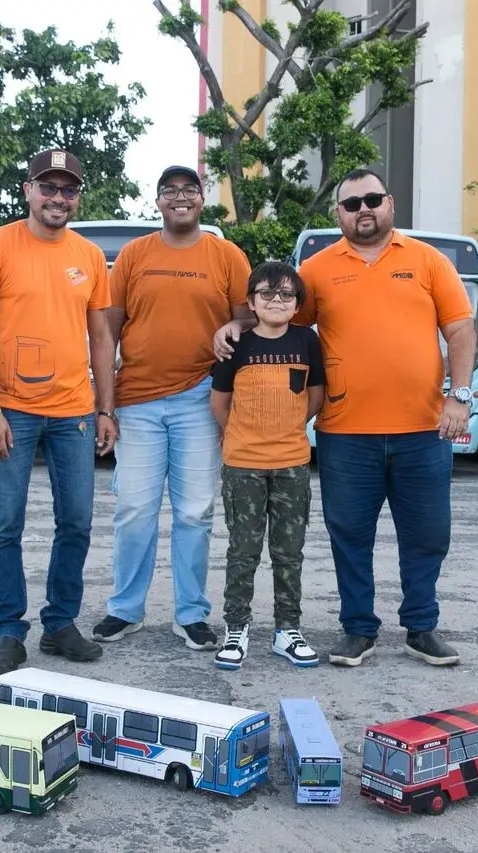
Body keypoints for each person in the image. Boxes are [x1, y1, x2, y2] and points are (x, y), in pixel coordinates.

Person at [213, 168, 477, 668]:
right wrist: (235, 322)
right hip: (345, 434)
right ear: (338, 213)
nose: (363, 210)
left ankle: (421, 627)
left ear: (390, 204)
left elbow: (461, 330)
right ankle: (358, 630)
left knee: (427, 535)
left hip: (423, 430)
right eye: (351, 203)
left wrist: (458, 396)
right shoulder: (316, 269)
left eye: (372, 199)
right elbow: (277, 313)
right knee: (349, 535)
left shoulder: (428, 261)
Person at [0, 147, 119, 676]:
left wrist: (105, 408)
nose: (58, 197)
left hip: (74, 413)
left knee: (75, 521)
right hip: (12, 411)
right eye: (47, 187)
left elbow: (101, 337)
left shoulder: (91, 257)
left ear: (78, 196)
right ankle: (8, 631)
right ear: (27, 189)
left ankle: (59, 624)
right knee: (4, 525)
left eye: (68, 189)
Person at [93, 165, 254, 652]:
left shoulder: (226, 255)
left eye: (189, 190)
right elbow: (107, 332)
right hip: (138, 401)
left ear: (202, 200)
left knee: (194, 512)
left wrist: (236, 329)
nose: (179, 198)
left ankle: (191, 614)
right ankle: (125, 609)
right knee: (135, 509)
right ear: (158, 201)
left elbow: (249, 319)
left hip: (201, 400)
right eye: (170, 191)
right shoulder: (134, 255)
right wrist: (105, 405)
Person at [209, 261, 324, 670]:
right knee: (243, 550)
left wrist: (288, 430)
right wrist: (242, 435)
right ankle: (236, 629)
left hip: (292, 463)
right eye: (266, 293)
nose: (276, 300)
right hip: (243, 466)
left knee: (289, 551)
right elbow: (219, 403)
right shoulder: (235, 344)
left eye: (286, 294)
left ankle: (287, 630)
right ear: (252, 302)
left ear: (297, 305)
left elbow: (314, 396)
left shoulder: (307, 341)